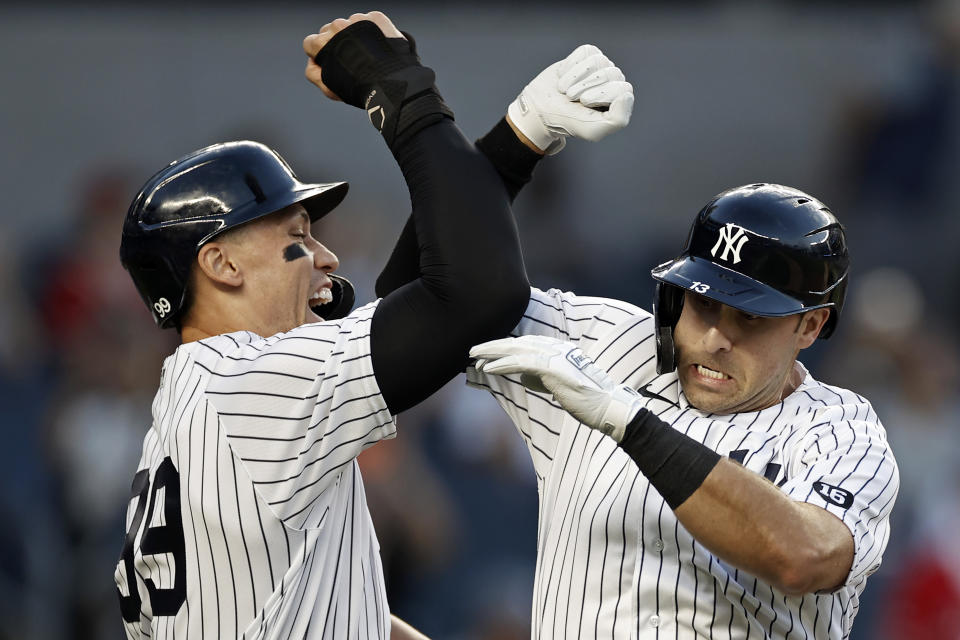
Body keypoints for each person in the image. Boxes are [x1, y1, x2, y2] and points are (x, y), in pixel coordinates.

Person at [112, 10, 633, 640]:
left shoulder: (211, 396)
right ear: (221, 264)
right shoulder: (248, 388)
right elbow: (472, 293)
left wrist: (515, 142)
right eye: (299, 238)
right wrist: (401, 89)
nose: (327, 257)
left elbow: (414, 301)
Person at [457, 181, 897, 637]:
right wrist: (516, 146)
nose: (714, 340)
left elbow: (804, 557)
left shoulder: (840, 429)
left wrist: (631, 423)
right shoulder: (610, 343)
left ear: (810, 325)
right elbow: (445, 298)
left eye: (750, 317)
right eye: (704, 303)